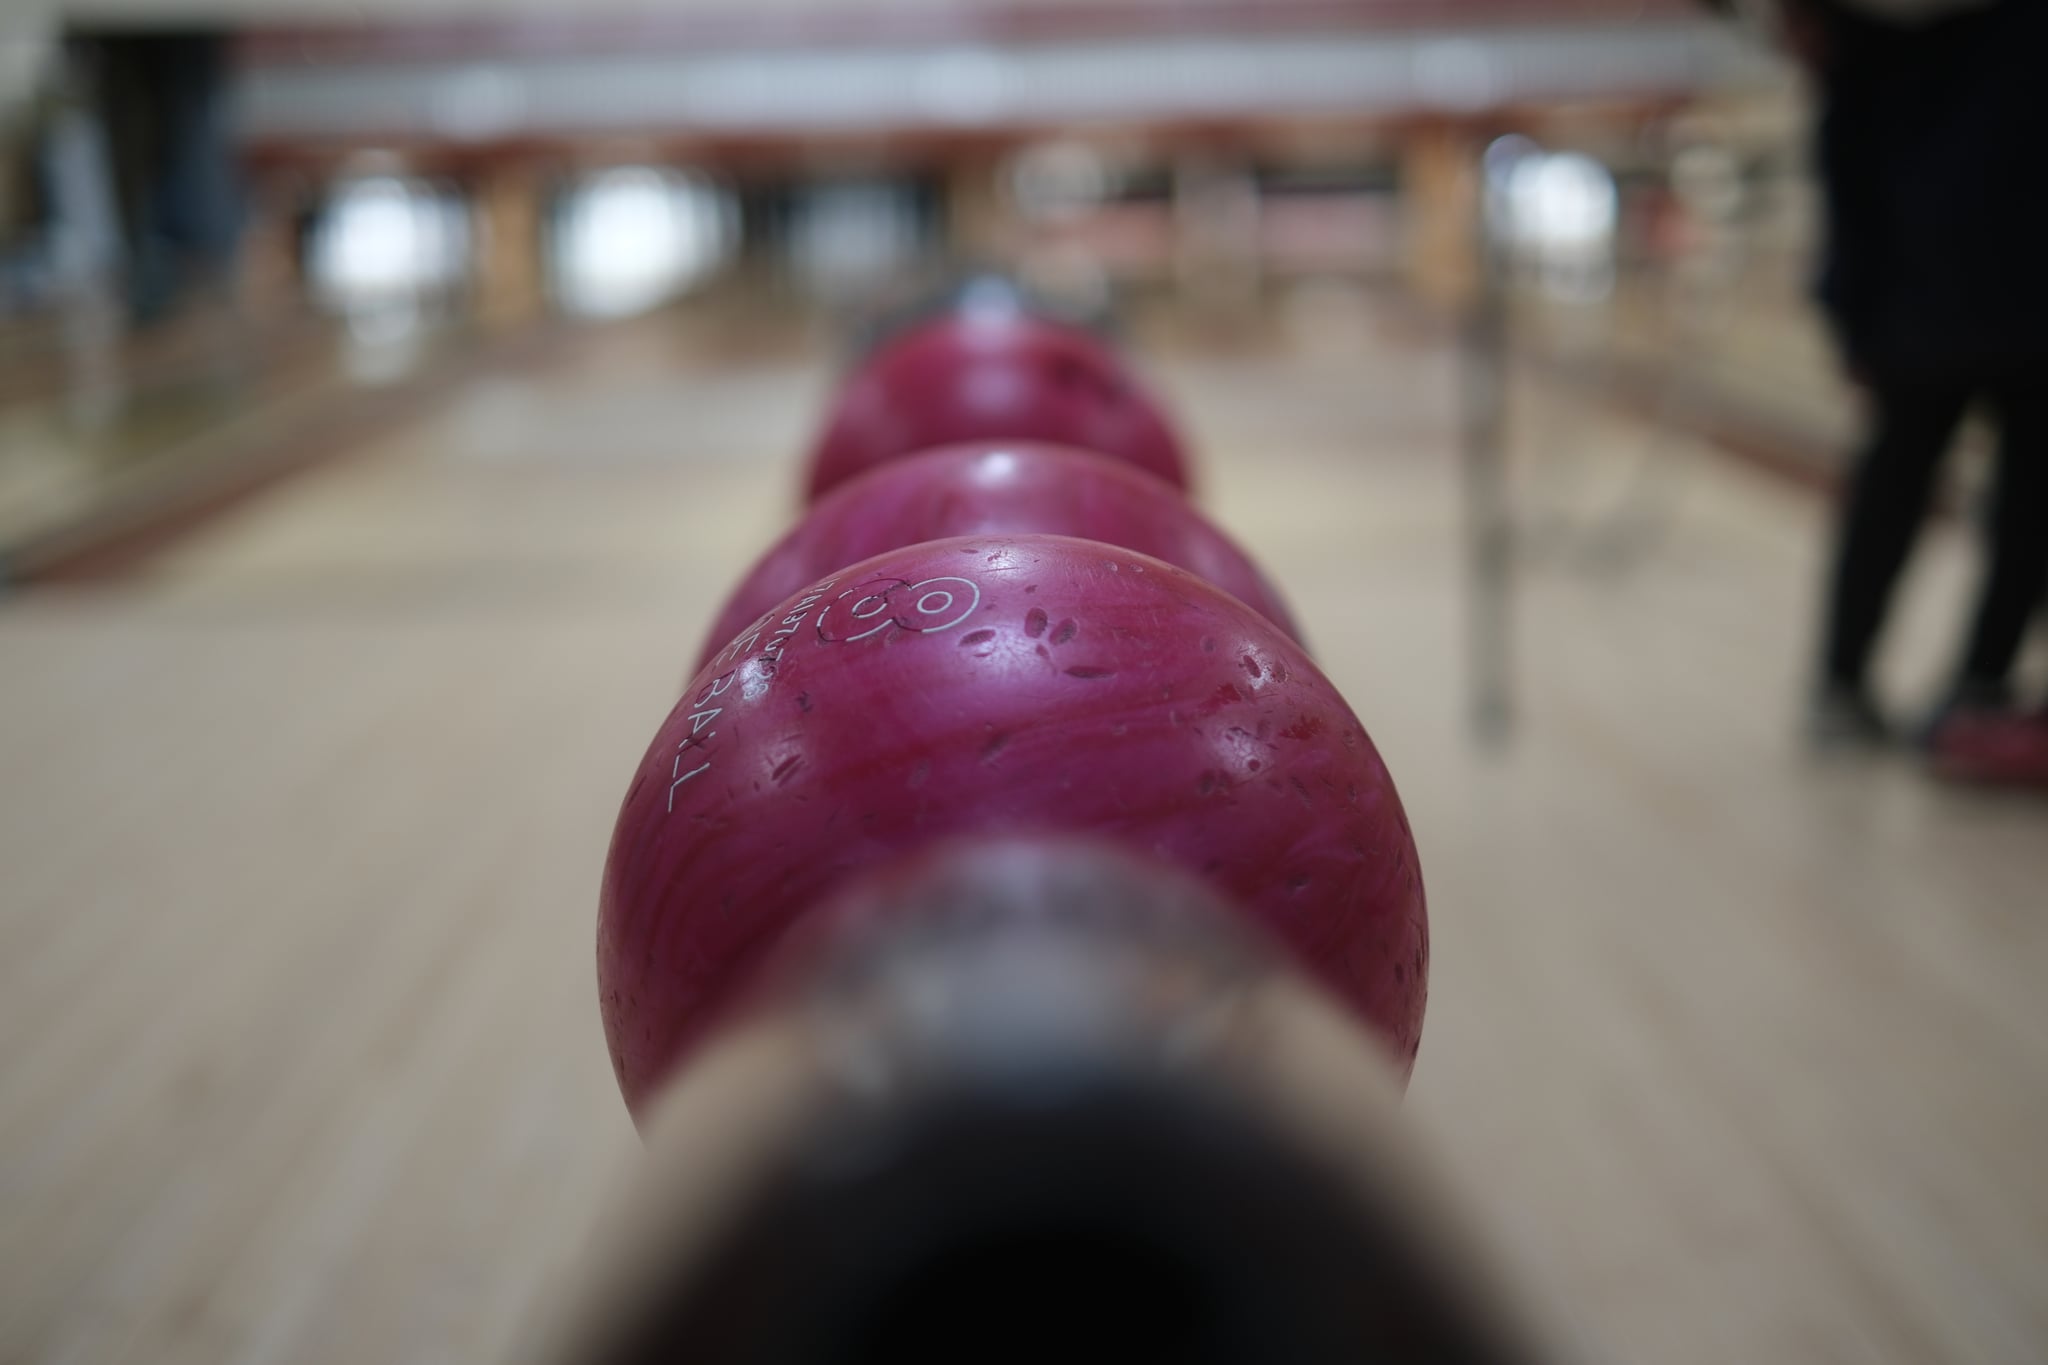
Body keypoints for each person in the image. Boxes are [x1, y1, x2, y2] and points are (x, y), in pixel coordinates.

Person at [1779, 0, 2048, 781]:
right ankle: (1956, 682)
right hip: (1958, 303)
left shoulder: (1871, 45)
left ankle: (1939, 683)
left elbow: (1845, 173)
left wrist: (1850, 311)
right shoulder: (1874, 43)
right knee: (1966, 498)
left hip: (1944, 305)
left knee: (1966, 498)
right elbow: (1847, 174)